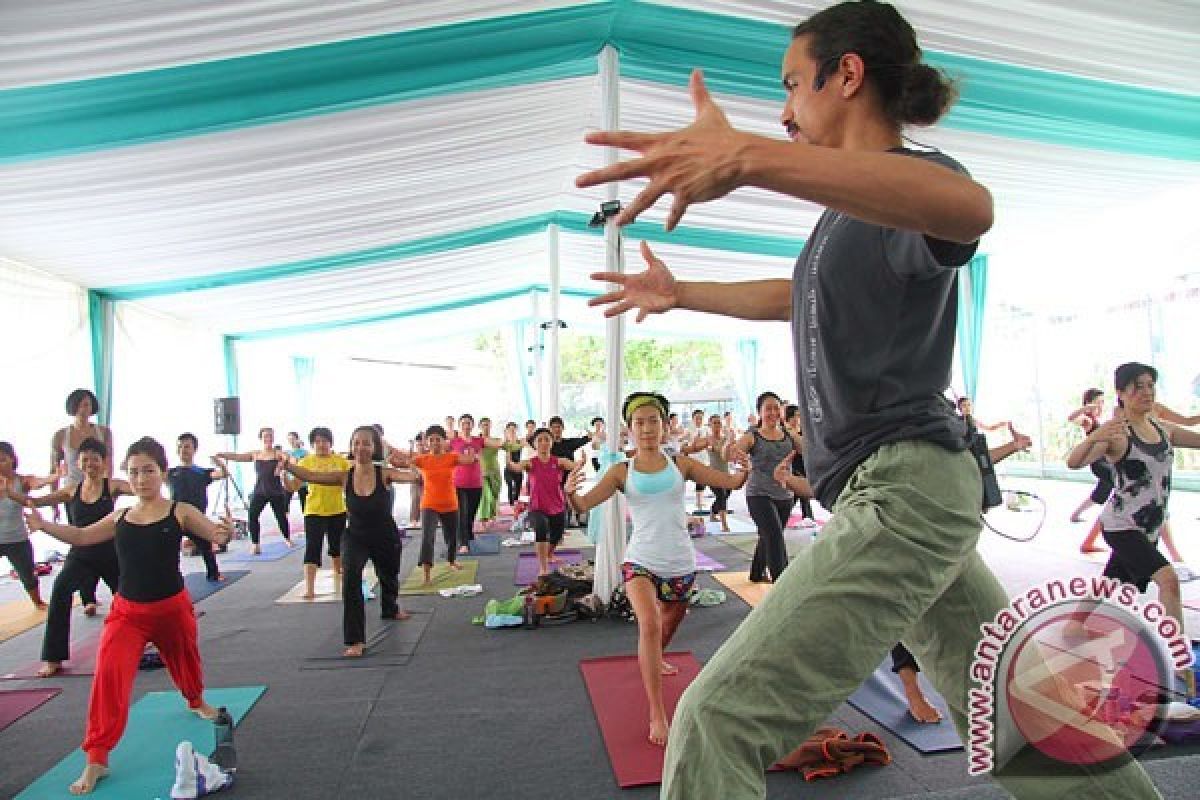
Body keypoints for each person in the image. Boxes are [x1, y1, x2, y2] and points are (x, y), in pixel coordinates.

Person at [576, 3, 1160, 796]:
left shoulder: (918, 183)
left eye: (791, 85)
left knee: (716, 718)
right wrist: (682, 293)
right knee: (1019, 716)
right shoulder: (846, 220)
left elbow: (970, 210)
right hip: (904, 493)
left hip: (906, 491)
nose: (783, 111)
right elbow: (798, 295)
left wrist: (746, 158)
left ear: (847, 73)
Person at [24, 437, 233, 795]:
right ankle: (96, 758)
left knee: (186, 661)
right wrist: (44, 526)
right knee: (108, 677)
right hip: (128, 614)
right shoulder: (121, 515)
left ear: (162, 473)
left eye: (148, 471)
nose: (140, 479)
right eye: (133, 472)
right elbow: (81, 535)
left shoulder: (178, 511)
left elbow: (212, 531)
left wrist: (223, 532)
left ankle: (196, 700)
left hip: (172, 609)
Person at [566, 392, 747, 747]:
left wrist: (744, 469)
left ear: (664, 426)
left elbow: (730, 483)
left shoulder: (681, 464)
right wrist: (571, 493)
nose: (647, 428)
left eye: (653, 421)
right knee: (648, 624)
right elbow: (585, 503)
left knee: (670, 622)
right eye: (639, 422)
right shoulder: (622, 470)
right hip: (640, 561)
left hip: (680, 562)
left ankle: (656, 656)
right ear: (629, 429)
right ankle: (657, 712)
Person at [1067, 363, 1198, 696]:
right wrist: (1098, 432)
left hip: (1147, 527)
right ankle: (1180, 661)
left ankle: (1074, 623)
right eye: (1137, 386)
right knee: (1167, 580)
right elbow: (1074, 461)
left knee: (1113, 580)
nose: (1147, 392)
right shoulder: (1118, 435)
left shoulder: (1162, 428)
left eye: (1150, 385)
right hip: (1120, 525)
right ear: (1122, 393)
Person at [282, 426, 415, 657]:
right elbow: (311, 476)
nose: (360, 447)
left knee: (389, 574)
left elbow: (415, 477)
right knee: (351, 577)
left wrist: (407, 463)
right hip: (355, 535)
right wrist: (288, 465)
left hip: (384, 534)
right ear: (351, 447)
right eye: (356, 443)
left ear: (374, 448)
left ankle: (390, 607)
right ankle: (355, 639)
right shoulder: (344, 475)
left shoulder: (384, 473)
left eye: (366, 443)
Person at [27, 439, 131, 677]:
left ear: (104, 463)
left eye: (95, 458)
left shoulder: (112, 485)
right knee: (61, 588)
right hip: (80, 555)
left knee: (130, 596)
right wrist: (13, 493)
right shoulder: (71, 490)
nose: (90, 463)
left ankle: (148, 637)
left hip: (110, 553)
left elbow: (141, 489)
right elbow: (36, 501)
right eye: (85, 458)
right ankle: (53, 657)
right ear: (78, 463)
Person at [728, 391, 801, 583]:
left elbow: (810, 451)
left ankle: (756, 572)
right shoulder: (753, 436)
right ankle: (782, 584)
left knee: (768, 534)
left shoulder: (788, 435)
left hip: (785, 495)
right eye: (768, 409)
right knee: (774, 535)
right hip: (758, 495)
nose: (772, 412)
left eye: (776, 408)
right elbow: (735, 452)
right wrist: (734, 453)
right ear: (759, 412)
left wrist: (797, 431)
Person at [407, 425, 476, 585]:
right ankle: (426, 573)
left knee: (452, 537)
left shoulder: (451, 457)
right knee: (427, 537)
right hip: (429, 504)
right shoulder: (422, 459)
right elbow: (407, 461)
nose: (435, 443)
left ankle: (451, 560)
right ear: (427, 442)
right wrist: (405, 452)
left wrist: (471, 451)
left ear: (444, 441)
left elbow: (468, 460)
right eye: (432, 440)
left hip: (450, 504)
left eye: (438, 440)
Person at [510, 428, 577, 576]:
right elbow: (516, 467)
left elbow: (575, 466)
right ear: (534, 444)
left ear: (552, 442)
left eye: (547, 439)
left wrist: (581, 463)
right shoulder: (530, 463)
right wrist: (508, 460)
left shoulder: (559, 461)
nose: (543, 443)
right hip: (537, 507)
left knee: (557, 535)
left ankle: (549, 553)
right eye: (539, 440)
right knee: (541, 529)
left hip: (558, 505)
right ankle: (543, 567)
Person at [216, 427, 293, 554]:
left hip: (275, 491)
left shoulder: (277, 453)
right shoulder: (256, 454)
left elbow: (287, 458)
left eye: (270, 436)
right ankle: (255, 544)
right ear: (261, 438)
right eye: (265, 436)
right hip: (259, 491)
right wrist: (223, 455)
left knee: (281, 517)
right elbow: (238, 457)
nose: (268, 438)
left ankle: (287, 538)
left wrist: (281, 464)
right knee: (252, 515)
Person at [294, 427, 349, 599]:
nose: (321, 445)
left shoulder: (341, 461)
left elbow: (350, 485)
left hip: (337, 510)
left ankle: (339, 575)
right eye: (317, 442)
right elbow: (294, 486)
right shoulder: (305, 462)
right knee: (312, 548)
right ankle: (310, 588)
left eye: (324, 441)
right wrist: (283, 475)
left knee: (338, 547)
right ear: (312, 444)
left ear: (330, 443)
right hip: (314, 511)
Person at [0, 442, 55, 610]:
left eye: (2, 459)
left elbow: (38, 482)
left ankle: (38, 602)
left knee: (28, 575)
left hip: (17, 538)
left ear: (12, 459)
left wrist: (54, 476)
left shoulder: (21, 481)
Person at [167, 433, 226, 582]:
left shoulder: (202, 472)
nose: (183, 450)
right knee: (169, 551)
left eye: (187, 447)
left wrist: (220, 464)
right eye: (180, 447)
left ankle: (214, 574)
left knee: (206, 548)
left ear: (194, 449)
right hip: (176, 518)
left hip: (196, 518)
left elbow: (223, 474)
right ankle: (171, 579)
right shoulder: (170, 473)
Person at [51, 389, 114, 486]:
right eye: (78, 405)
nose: (82, 409)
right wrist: (53, 498)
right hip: (71, 491)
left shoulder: (104, 432)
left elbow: (108, 466)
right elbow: (54, 470)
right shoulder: (60, 435)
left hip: (97, 490)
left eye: (86, 405)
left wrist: (107, 492)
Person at [682, 414, 734, 532]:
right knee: (721, 496)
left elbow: (729, 455)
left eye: (719, 423)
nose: (717, 425)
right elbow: (693, 448)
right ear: (710, 425)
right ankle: (724, 525)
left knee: (725, 496)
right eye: (714, 423)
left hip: (726, 474)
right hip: (712, 475)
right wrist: (692, 445)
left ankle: (712, 512)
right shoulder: (708, 439)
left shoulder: (726, 439)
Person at [782, 403, 816, 526]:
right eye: (795, 416)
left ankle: (807, 516)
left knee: (799, 494)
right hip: (792, 466)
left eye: (799, 416)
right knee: (796, 494)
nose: (798, 419)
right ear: (788, 417)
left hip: (804, 465)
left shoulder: (803, 431)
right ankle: (807, 516)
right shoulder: (784, 433)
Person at [475, 417, 506, 524]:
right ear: (479, 427)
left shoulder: (496, 440)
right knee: (486, 496)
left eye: (487, 425)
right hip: (481, 472)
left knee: (494, 495)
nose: (486, 427)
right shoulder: (476, 441)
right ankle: (483, 518)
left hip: (495, 471)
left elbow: (509, 446)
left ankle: (491, 516)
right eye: (483, 425)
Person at [500, 423, 525, 508]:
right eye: (510, 430)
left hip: (518, 468)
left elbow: (529, 442)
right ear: (507, 431)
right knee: (510, 485)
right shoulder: (505, 443)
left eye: (514, 429)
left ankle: (516, 503)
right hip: (508, 469)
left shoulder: (520, 442)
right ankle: (511, 505)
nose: (512, 431)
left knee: (518, 488)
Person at [285, 431, 309, 515]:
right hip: (290, 481)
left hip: (302, 482)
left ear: (297, 439)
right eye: (289, 439)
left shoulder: (305, 452)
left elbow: (306, 465)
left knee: (305, 506)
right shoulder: (287, 453)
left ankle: (308, 525)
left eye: (293, 439)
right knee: (285, 504)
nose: (291, 441)